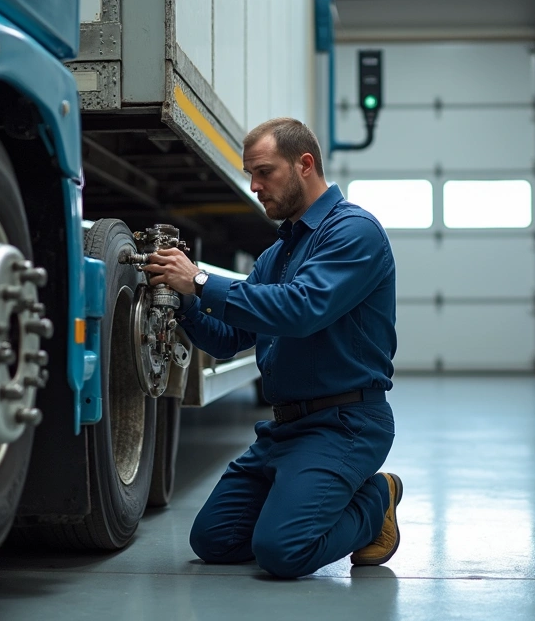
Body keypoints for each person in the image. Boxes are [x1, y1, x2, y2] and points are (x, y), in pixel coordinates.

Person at [142, 117, 399, 579]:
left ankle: (376, 500)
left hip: (344, 425)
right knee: (213, 540)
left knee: (283, 551)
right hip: (284, 431)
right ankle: (298, 500)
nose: (255, 186)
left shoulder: (354, 232)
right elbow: (229, 340)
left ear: (305, 164)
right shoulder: (275, 255)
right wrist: (182, 303)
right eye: (250, 175)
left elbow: (300, 311)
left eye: (264, 172)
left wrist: (200, 280)